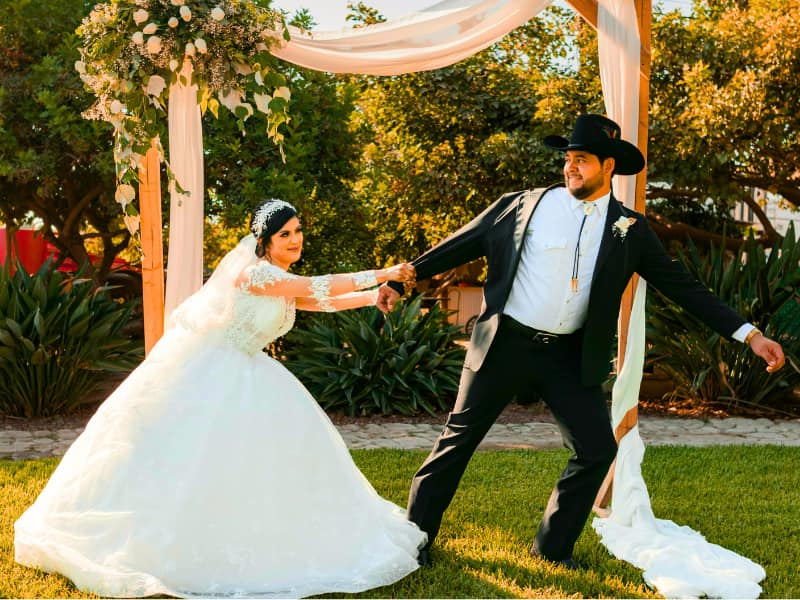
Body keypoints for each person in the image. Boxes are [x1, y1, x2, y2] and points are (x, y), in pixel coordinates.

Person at [376, 113, 785, 569]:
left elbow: (684, 287)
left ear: (609, 166)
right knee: (458, 441)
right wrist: (401, 280)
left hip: (568, 356)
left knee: (596, 450)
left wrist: (749, 335)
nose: (570, 167)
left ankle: (552, 550)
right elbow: (461, 242)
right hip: (503, 344)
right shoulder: (522, 206)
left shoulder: (630, 230)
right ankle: (412, 542)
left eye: (582, 160)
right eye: (568, 159)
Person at [15, 198, 426, 598]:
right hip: (215, 374)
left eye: (298, 231)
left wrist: (373, 296)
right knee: (192, 460)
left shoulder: (276, 278)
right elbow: (314, 285)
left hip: (250, 371)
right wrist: (383, 272)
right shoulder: (256, 275)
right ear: (264, 240)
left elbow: (318, 299)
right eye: (285, 233)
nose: (295, 239)